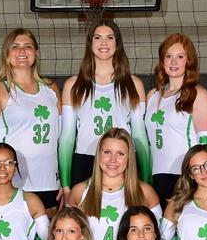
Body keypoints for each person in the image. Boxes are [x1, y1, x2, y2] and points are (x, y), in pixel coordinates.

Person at [0, 28, 61, 215]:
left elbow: (61, 139)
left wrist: (65, 181)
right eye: (15, 47)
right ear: (7, 55)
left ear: (36, 53)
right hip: (12, 183)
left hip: (49, 182)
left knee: (48, 233)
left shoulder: (51, 88)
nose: (22, 51)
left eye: (28, 46)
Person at [59, 20, 150, 190]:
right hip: (85, 160)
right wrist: (65, 184)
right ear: (90, 43)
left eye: (110, 37)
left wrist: (146, 179)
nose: (103, 43)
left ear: (117, 43)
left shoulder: (133, 84)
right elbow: (67, 138)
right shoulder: (73, 85)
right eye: (97, 37)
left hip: (121, 161)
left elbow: (139, 135)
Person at [68, 128, 161, 240]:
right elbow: (67, 238)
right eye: (107, 152)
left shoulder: (145, 192)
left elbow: (158, 237)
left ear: (129, 157)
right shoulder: (79, 192)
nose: (113, 160)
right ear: (98, 154)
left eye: (120, 154)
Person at [146, 34, 207, 207]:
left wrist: (201, 180)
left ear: (189, 61)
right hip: (156, 176)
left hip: (186, 178)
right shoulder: (153, 95)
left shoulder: (198, 94)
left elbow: (206, 147)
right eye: (168, 56)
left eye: (180, 56)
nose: (173, 62)